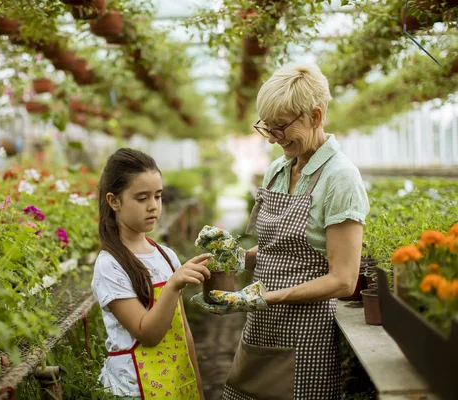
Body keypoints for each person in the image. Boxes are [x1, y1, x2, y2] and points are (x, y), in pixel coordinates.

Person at [192, 64, 370, 400]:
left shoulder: (340, 178)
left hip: (306, 334)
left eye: (281, 127)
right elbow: (280, 248)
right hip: (262, 325)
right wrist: (236, 260)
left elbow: (343, 279)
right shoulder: (278, 169)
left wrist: (262, 298)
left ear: (316, 116)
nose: (273, 137)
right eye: (267, 128)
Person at [91, 148, 212, 400]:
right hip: (134, 389)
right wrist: (172, 284)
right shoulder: (110, 265)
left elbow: (184, 331)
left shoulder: (166, 255)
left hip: (177, 382)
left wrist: (198, 386)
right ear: (114, 201)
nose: (153, 206)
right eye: (141, 198)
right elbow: (148, 334)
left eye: (157, 196)